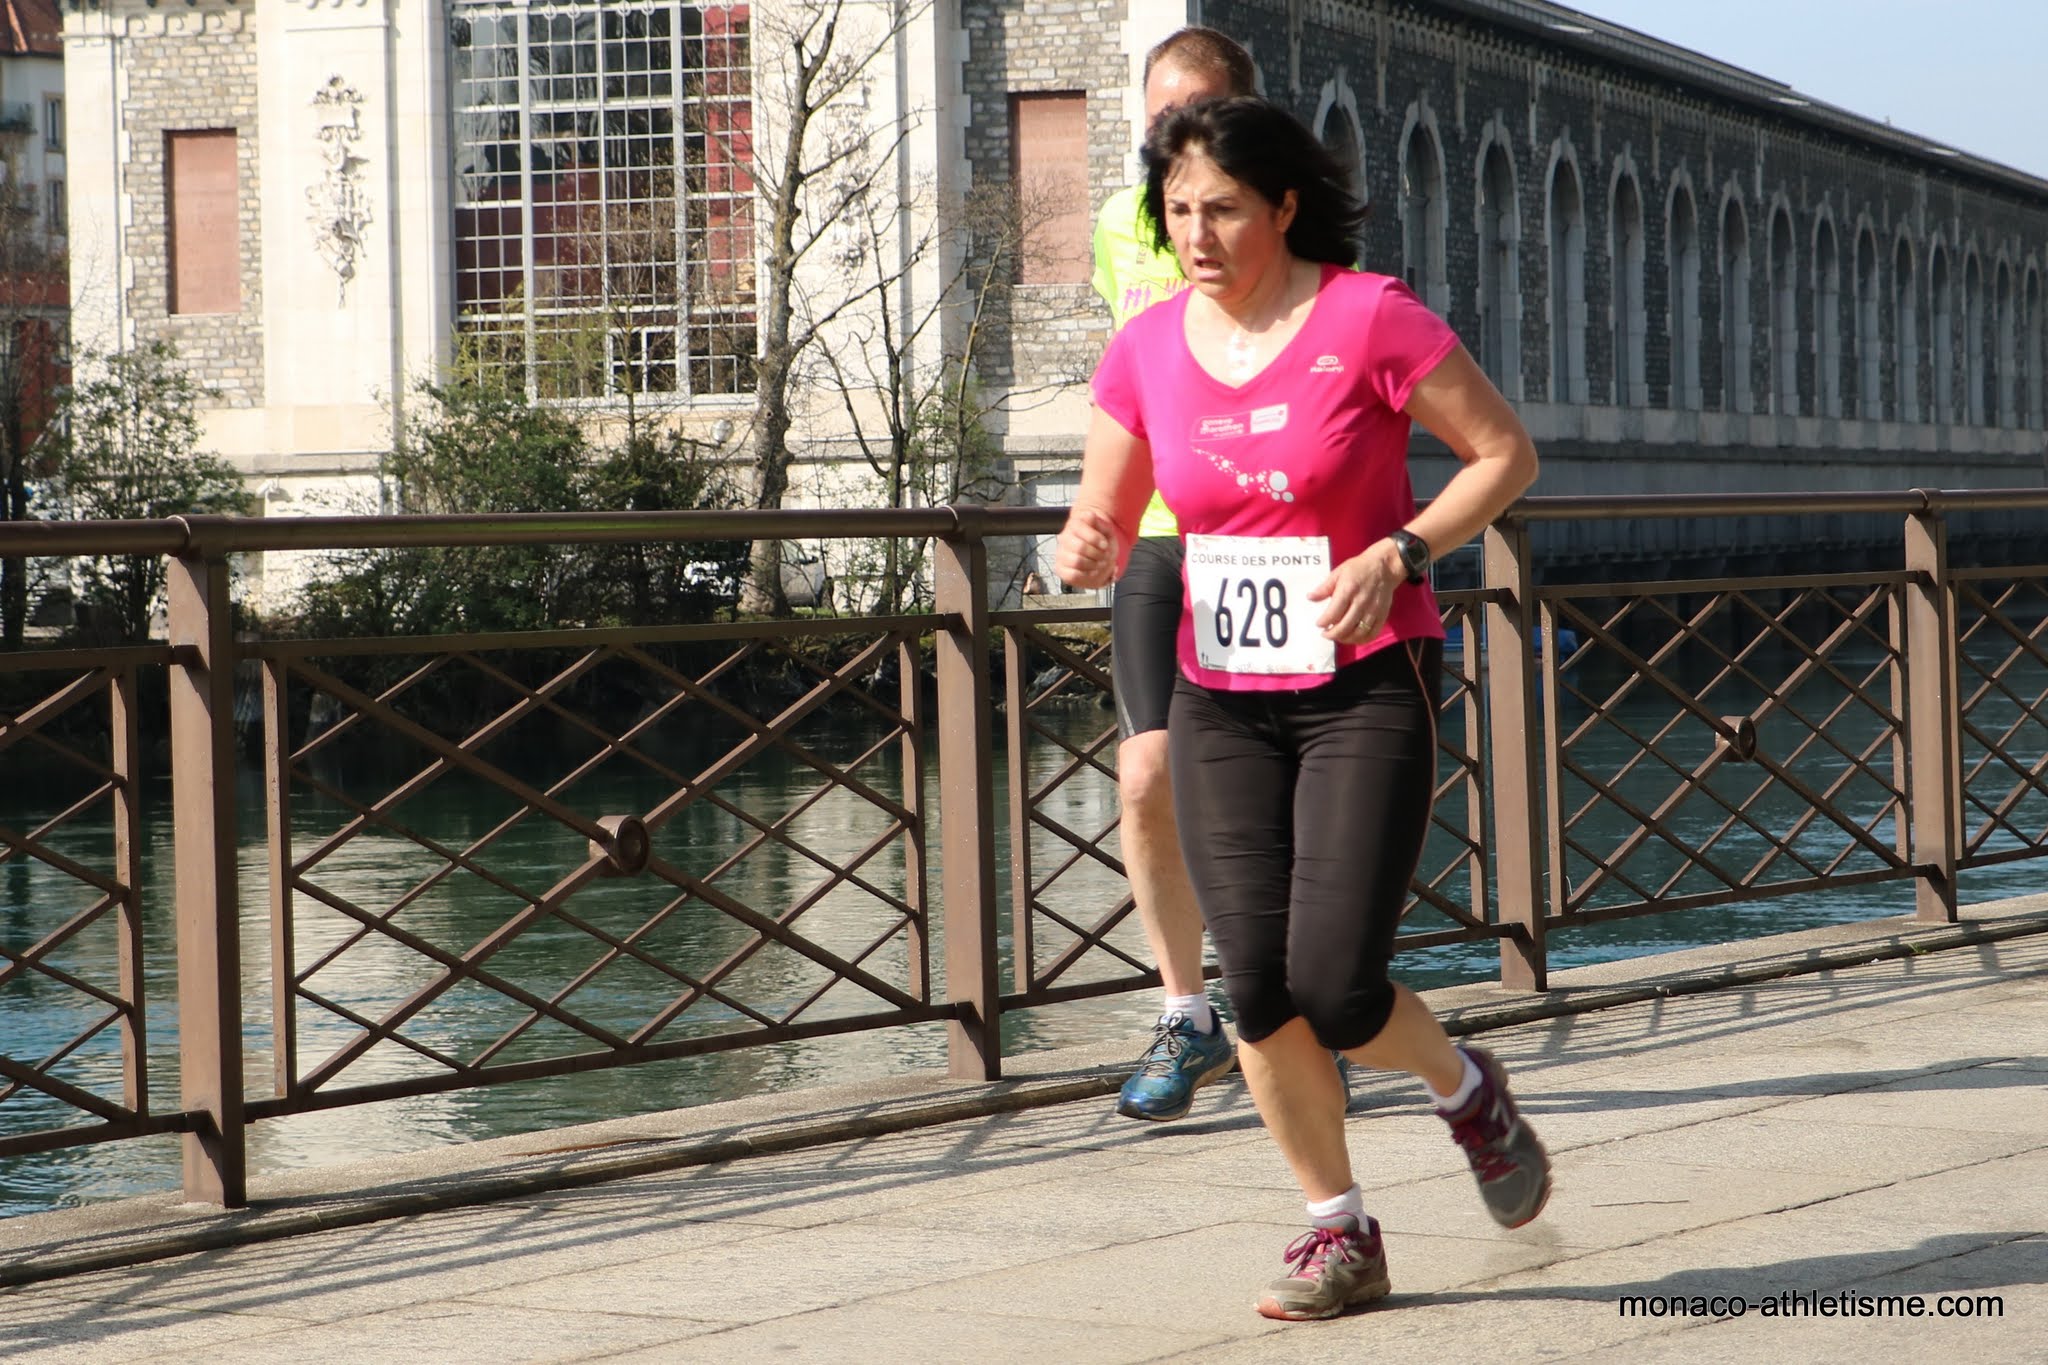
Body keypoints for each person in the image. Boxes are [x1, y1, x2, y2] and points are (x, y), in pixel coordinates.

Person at [1055, 96, 1549, 1321]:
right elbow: (1104, 509)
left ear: (1282, 206)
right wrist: (1084, 542)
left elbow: (1503, 455)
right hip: (1219, 696)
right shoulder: (1147, 347)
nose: (1196, 234)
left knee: (1334, 986)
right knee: (1258, 990)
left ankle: (1464, 1090)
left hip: (1362, 683)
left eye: (1223, 209)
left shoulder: (1366, 317)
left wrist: (1401, 548)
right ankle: (1340, 1234)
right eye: (1177, 211)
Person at [1091, 27, 1256, 1123]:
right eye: (1156, 114)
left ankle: (1284, 1008)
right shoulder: (1119, 225)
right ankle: (1187, 1016)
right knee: (1146, 771)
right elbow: (1129, 381)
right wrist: (1094, 509)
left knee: (1266, 787)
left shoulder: (1287, 220)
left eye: (1191, 112)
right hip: (1158, 534)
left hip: (1262, 536)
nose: (1170, 132)